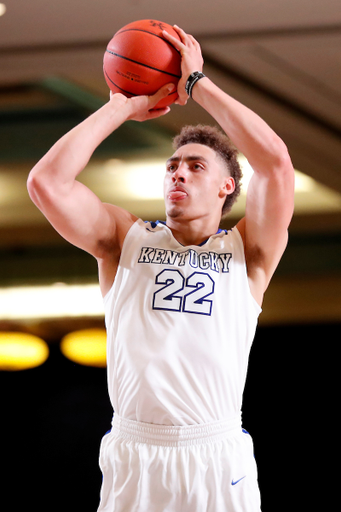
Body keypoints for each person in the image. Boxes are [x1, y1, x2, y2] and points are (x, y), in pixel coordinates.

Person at [27, 24, 295, 512]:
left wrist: (196, 85)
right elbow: (46, 182)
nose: (178, 172)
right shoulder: (122, 239)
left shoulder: (249, 253)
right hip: (135, 453)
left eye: (196, 166)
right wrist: (122, 105)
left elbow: (276, 162)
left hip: (214, 454)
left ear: (227, 187)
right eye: (172, 165)